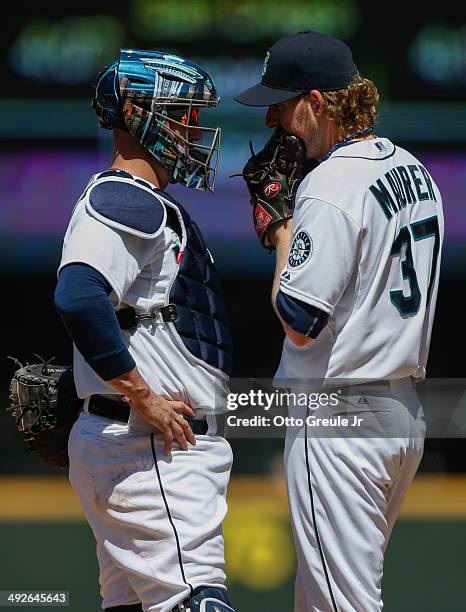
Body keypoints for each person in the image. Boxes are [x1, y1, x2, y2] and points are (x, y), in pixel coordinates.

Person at [235, 30, 443, 611]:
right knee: (319, 599)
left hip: (339, 418)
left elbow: (300, 317)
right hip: (401, 412)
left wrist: (279, 231)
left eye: (283, 102)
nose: (275, 118)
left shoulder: (327, 187)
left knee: (343, 605)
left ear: (319, 102)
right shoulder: (412, 169)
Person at [54, 49, 235, 612]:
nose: (192, 129)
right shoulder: (123, 198)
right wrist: (144, 397)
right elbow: (79, 296)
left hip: (135, 444)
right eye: (181, 113)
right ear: (137, 113)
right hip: (151, 447)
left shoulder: (137, 201)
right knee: (197, 601)